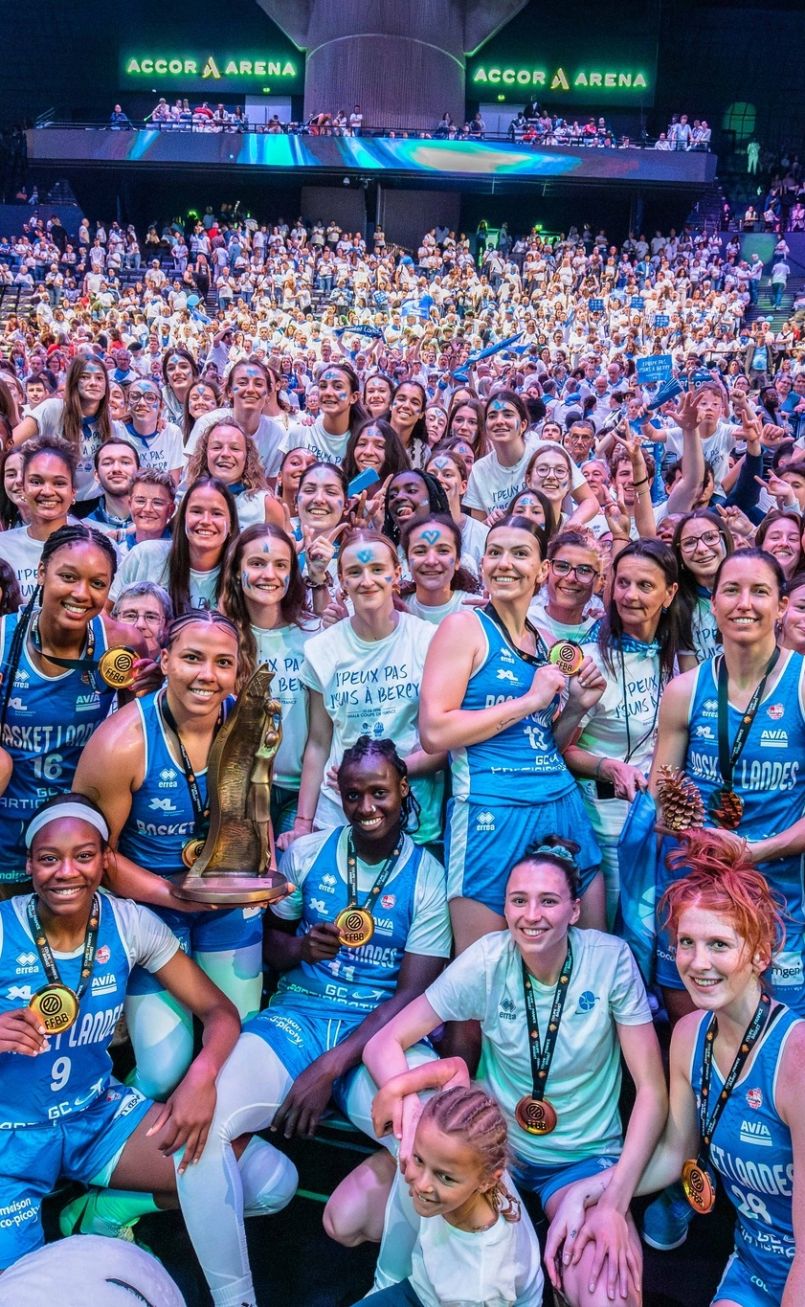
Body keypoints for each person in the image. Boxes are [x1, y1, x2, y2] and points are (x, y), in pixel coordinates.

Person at [174, 737, 451, 1307]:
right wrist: (299, 949)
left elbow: (415, 992)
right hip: (298, 1014)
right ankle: (235, 1299)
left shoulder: (427, 876)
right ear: (339, 797)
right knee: (206, 1127)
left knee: (424, 1138)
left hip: (375, 1035)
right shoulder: (309, 854)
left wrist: (331, 1065)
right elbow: (268, 948)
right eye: (353, 795)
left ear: (404, 790)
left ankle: (386, 1290)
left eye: (379, 792)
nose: (367, 807)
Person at [352, 838, 665, 1306]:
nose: (531, 915)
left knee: (611, 1299)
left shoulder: (609, 960)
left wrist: (614, 1200)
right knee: (347, 1219)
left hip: (581, 1162)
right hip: (497, 1156)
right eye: (519, 900)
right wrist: (414, 1118)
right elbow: (383, 1043)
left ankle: (552, 1259)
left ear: (575, 911)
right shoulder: (487, 959)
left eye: (548, 901)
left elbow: (653, 1093)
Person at [550, 829, 805, 1305]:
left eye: (719, 945)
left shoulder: (796, 1060)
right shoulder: (689, 1036)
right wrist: (593, 1196)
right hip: (753, 1268)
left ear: (761, 954)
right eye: (686, 942)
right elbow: (673, 1153)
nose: (698, 962)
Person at [0, 792, 240, 1265]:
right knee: (21, 1287)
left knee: (251, 1177)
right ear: (29, 864)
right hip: (10, 1135)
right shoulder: (4, 927)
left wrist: (201, 1076)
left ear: (106, 859)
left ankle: (100, 1214)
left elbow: (220, 1012)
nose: (67, 872)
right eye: (49, 858)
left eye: (84, 856)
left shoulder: (129, 922)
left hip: (96, 1117)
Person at [72, 610, 265, 1104]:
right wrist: (175, 898)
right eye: (192, 658)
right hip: (153, 909)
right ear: (165, 660)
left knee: (235, 1055)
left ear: (237, 671)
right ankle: (112, 1140)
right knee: (162, 1071)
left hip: (225, 904)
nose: (207, 674)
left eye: (223, 663)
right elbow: (97, 856)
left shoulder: (249, 725)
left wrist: (260, 876)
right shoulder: (123, 741)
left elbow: (258, 816)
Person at [419, 516, 607, 950]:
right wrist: (530, 700)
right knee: (482, 972)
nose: (505, 563)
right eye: (495, 552)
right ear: (482, 564)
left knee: (588, 957)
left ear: (541, 571)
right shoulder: (464, 627)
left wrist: (576, 706)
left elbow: (545, 741)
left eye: (520, 553)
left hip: (562, 804)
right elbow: (434, 731)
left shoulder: (542, 641)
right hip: (492, 809)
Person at [651, 548, 805, 1020]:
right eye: (731, 590)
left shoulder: (801, 685)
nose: (744, 603)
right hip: (693, 887)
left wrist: (758, 850)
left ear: (780, 606)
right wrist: (691, 833)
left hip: (775, 893)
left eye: (760, 591)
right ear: (712, 604)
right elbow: (662, 794)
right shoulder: (684, 691)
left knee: (781, 1035)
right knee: (693, 1025)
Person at [0, 524, 144, 895]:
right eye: (68, 576)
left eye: (98, 583)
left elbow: (146, 729)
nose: (82, 593)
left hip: (79, 841)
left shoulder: (120, 641)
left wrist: (156, 682)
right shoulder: (2, 637)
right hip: (6, 836)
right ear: (42, 570)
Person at [288, 528, 445, 851]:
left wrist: (380, 774)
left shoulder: (428, 641)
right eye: (355, 572)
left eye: (377, 570)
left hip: (413, 811)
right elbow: (319, 741)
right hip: (339, 812)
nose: (367, 581)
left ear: (397, 574)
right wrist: (303, 824)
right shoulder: (322, 649)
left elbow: (443, 742)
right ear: (342, 580)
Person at [564, 540, 683, 926]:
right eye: (623, 583)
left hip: (662, 822)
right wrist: (608, 767)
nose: (629, 595)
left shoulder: (677, 656)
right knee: (617, 932)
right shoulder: (591, 660)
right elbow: (560, 747)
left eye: (645, 586)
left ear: (670, 593)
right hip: (606, 825)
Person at [350, 1080, 544, 1307]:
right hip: (424, 1290)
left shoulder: (480, 1287)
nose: (422, 1184)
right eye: (418, 1159)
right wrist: (401, 1089)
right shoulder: (462, 1180)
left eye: (445, 1177)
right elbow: (451, 1069)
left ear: (487, 1181)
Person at [220, 523, 320, 836]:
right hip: (239, 794)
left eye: (281, 565)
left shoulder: (314, 634)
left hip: (301, 794)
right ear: (237, 571)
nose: (269, 575)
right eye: (257, 563)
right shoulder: (219, 637)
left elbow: (322, 734)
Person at [110, 475, 237, 613]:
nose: (205, 521)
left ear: (231, 524)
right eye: (196, 511)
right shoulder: (144, 555)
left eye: (216, 513)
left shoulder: (241, 571)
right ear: (183, 518)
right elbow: (105, 614)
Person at [12, 355, 126, 506]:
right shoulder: (53, 409)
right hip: (54, 500)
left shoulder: (109, 420)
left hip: (97, 504)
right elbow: (10, 442)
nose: (93, 383)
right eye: (85, 377)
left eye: (99, 378)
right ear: (74, 382)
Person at [0, 436, 78, 602]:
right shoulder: (2, 547)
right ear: (23, 488)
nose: (47, 491)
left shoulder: (96, 548)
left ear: (73, 492)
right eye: (36, 481)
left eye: (59, 483)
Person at [184, 418, 286, 531]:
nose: (225, 454)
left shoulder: (267, 505)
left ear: (247, 457)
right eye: (217, 447)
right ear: (205, 454)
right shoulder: (190, 499)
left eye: (235, 448)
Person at [672, 510, 734, 668]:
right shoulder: (678, 604)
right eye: (689, 542)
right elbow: (690, 676)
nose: (701, 548)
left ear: (725, 539)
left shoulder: (750, 592)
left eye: (711, 537)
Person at [400, 512, 479, 625]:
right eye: (420, 552)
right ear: (407, 562)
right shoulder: (394, 609)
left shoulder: (477, 611)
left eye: (443, 551)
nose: (431, 561)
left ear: (457, 560)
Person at [287, 361, 366, 464]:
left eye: (338, 386)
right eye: (323, 386)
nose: (328, 392)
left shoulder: (363, 442)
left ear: (354, 397)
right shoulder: (299, 433)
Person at [122, 376, 183, 482]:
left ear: (161, 406)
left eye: (150, 398)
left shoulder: (172, 433)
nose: (141, 403)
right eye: (135, 396)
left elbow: (173, 482)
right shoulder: (117, 431)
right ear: (128, 403)